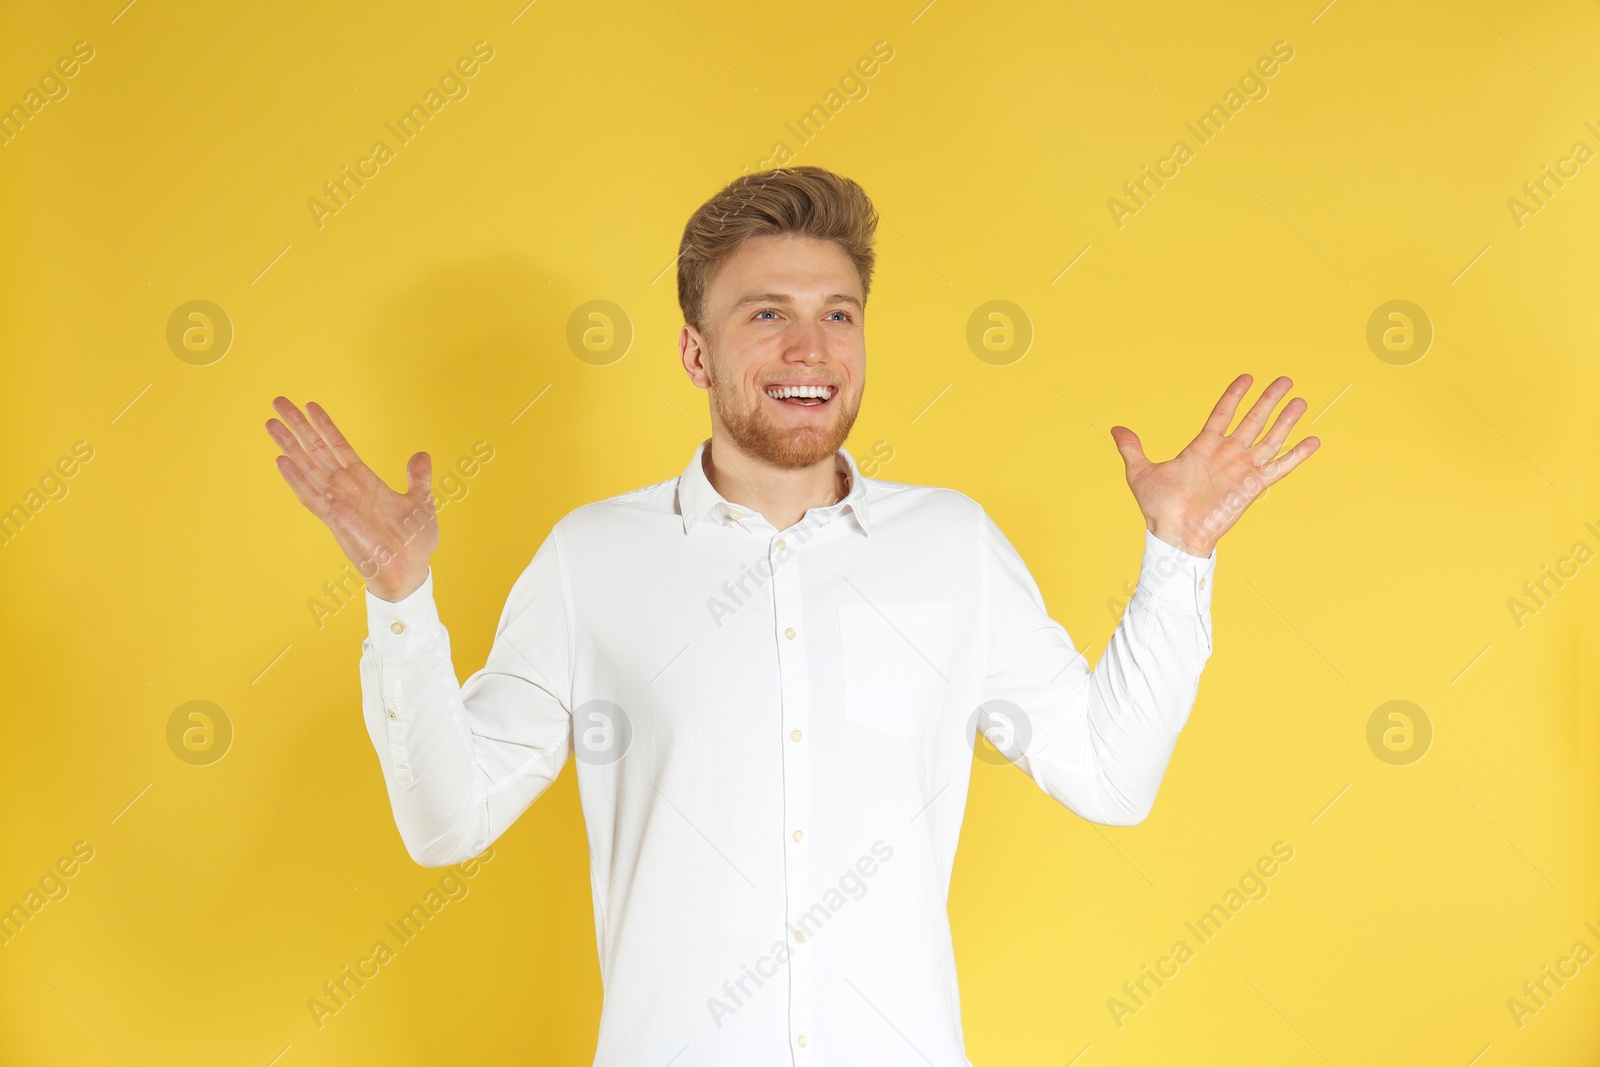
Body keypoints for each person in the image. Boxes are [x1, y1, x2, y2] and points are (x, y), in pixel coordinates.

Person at [264, 165, 1319, 1065]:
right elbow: (448, 820)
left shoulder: (952, 547)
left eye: (837, 314)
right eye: (766, 312)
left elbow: (1109, 777)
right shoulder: (593, 560)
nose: (809, 347)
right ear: (696, 353)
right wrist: (399, 598)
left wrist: (1177, 556)